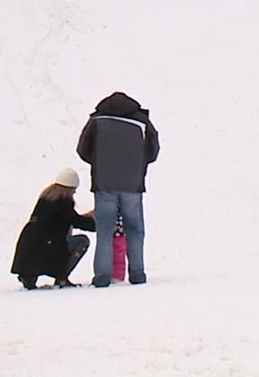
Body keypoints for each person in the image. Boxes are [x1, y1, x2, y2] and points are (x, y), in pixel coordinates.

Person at [76, 91, 160, 288]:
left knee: (104, 231)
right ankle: (137, 273)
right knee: (135, 230)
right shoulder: (142, 122)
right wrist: (137, 165)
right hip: (132, 184)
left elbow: (83, 150)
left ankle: (102, 277)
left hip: (104, 184)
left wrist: (99, 163)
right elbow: (153, 151)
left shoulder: (96, 120)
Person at [10, 168, 96, 290]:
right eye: (73, 191)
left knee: (49, 246)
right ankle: (62, 278)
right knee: (82, 241)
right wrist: (97, 224)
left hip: (29, 245)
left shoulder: (46, 197)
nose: (73, 194)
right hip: (48, 245)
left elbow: (64, 219)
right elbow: (75, 221)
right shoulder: (63, 201)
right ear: (70, 189)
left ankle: (29, 275)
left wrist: (85, 216)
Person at [112, 214, 127, 284]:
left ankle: (107, 273)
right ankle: (118, 274)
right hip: (120, 227)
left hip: (110, 227)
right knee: (120, 250)